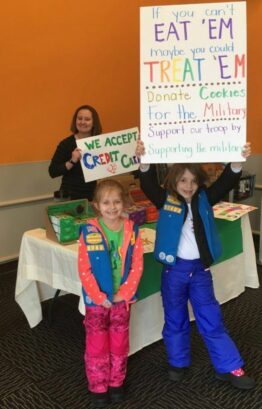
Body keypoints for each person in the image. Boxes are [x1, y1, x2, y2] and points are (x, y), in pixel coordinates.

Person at [135, 140, 255, 390]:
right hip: (173, 272)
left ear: (199, 182)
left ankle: (229, 365)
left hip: (200, 271)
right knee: (175, 318)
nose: (188, 186)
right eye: (182, 181)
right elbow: (147, 183)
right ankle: (177, 362)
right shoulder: (165, 199)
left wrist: (237, 160)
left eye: (192, 181)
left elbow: (226, 182)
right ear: (173, 182)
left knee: (211, 318)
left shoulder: (204, 199)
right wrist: (143, 160)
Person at [78, 179, 144, 407]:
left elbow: (137, 265)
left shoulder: (131, 229)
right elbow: (84, 268)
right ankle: (98, 385)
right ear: (96, 205)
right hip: (96, 301)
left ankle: (116, 382)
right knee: (97, 344)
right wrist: (99, 297)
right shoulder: (89, 231)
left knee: (119, 341)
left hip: (121, 300)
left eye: (117, 201)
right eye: (106, 202)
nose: (112, 206)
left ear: (124, 203)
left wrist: (123, 294)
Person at [49, 105, 102, 200]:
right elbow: (52, 171)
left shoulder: (100, 143)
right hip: (69, 198)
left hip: (92, 196)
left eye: (87, 119)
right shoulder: (66, 144)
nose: (82, 122)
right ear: (75, 121)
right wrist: (72, 161)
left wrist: (137, 153)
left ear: (94, 122)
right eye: (79, 118)